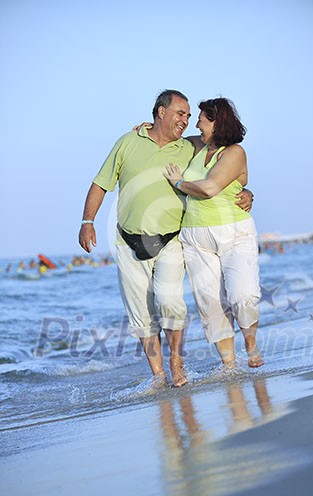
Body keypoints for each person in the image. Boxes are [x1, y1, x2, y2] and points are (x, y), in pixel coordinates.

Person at [79, 90, 254, 387]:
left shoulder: (189, 147)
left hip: (172, 239)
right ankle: (158, 376)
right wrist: (87, 221)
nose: (186, 121)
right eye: (180, 113)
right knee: (141, 315)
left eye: (189, 116)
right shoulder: (128, 142)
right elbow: (101, 183)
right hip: (127, 241)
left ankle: (176, 362)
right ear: (161, 112)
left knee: (171, 302)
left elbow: (226, 158)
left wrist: (247, 191)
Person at [163, 97, 264, 368]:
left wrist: (179, 182)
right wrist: (148, 126)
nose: (196, 123)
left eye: (201, 119)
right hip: (195, 237)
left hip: (234, 232)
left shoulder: (234, 152)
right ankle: (229, 365)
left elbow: (209, 188)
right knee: (211, 305)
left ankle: (251, 346)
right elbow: (166, 136)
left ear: (217, 122)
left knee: (242, 296)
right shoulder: (198, 146)